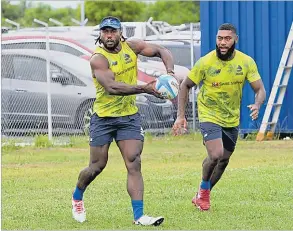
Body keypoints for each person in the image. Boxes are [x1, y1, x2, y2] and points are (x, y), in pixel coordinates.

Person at [71, 16, 177, 226]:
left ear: (121, 33)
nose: (109, 36)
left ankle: (139, 216)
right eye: (105, 32)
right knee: (97, 166)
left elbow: (162, 50)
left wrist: (170, 74)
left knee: (134, 161)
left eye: (113, 31)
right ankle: (77, 197)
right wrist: (144, 88)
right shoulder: (98, 59)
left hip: (129, 116)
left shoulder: (132, 46)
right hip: (103, 118)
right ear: (100, 34)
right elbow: (112, 87)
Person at [172, 23, 266, 211]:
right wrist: (180, 116)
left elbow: (260, 89)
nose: (223, 43)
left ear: (235, 40)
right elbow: (185, 85)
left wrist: (257, 104)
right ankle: (204, 195)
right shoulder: (206, 62)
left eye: (227, 39)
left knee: (224, 160)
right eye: (219, 38)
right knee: (215, 155)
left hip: (231, 117)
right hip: (209, 113)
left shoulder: (246, 62)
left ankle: (201, 192)